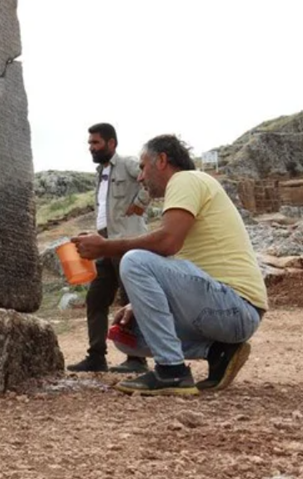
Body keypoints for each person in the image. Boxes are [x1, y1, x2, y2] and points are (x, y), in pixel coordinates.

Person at [73, 135, 267, 396]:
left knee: (134, 259)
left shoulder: (185, 180)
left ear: (162, 160)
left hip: (236, 308)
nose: (140, 177)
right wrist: (139, 303)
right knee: (128, 337)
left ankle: (171, 371)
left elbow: (167, 242)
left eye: (143, 167)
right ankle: (218, 351)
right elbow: (179, 266)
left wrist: (105, 247)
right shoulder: (186, 193)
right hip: (223, 311)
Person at [68, 123, 151, 374]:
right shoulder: (99, 172)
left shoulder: (127, 163)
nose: (91, 147)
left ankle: (137, 359)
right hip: (104, 244)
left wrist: (140, 203)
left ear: (111, 143)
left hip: (126, 243)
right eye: (89, 143)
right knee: (96, 299)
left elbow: (149, 179)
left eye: (96, 143)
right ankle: (96, 357)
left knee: (130, 299)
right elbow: (105, 211)